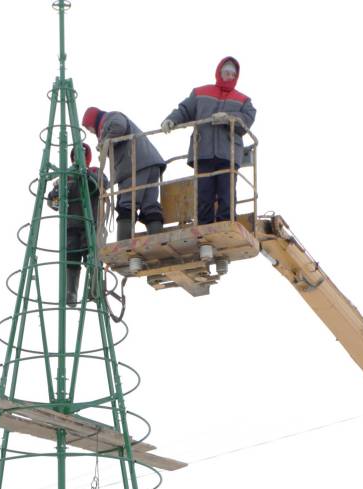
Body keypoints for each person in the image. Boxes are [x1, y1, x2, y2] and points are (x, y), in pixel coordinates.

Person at [161, 56, 256, 224]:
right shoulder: (200, 93)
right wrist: (171, 119)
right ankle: (204, 226)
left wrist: (229, 117)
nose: (229, 76)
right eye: (226, 72)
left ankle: (226, 223)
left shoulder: (243, 100)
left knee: (227, 193)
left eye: (233, 74)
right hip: (203, 151)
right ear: (219, 72)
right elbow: (184, 110)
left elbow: (248, 119)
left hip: (228, 154)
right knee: (204, 192)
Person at [81, 106, 165, 240]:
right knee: (150, 206)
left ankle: (123, 245)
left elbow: (119, 125)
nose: (90, 131)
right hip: (150, 164)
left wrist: (104, 142)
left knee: (126, 205)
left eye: (88, 127)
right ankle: (159, 243)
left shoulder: (110, 118)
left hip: (135, 166)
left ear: (93, 121)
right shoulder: (110, 120)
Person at [47, 144, 102, 306]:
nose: (79, 161)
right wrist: (57, 189)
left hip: (90, 225)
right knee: (71, 258)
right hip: (71, 226)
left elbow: (103, 185)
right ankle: (71, 293)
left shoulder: (94, 173)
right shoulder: (66, 179)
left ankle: (96, 289)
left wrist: (84, 176)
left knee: (92, 257)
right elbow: (54, 203)